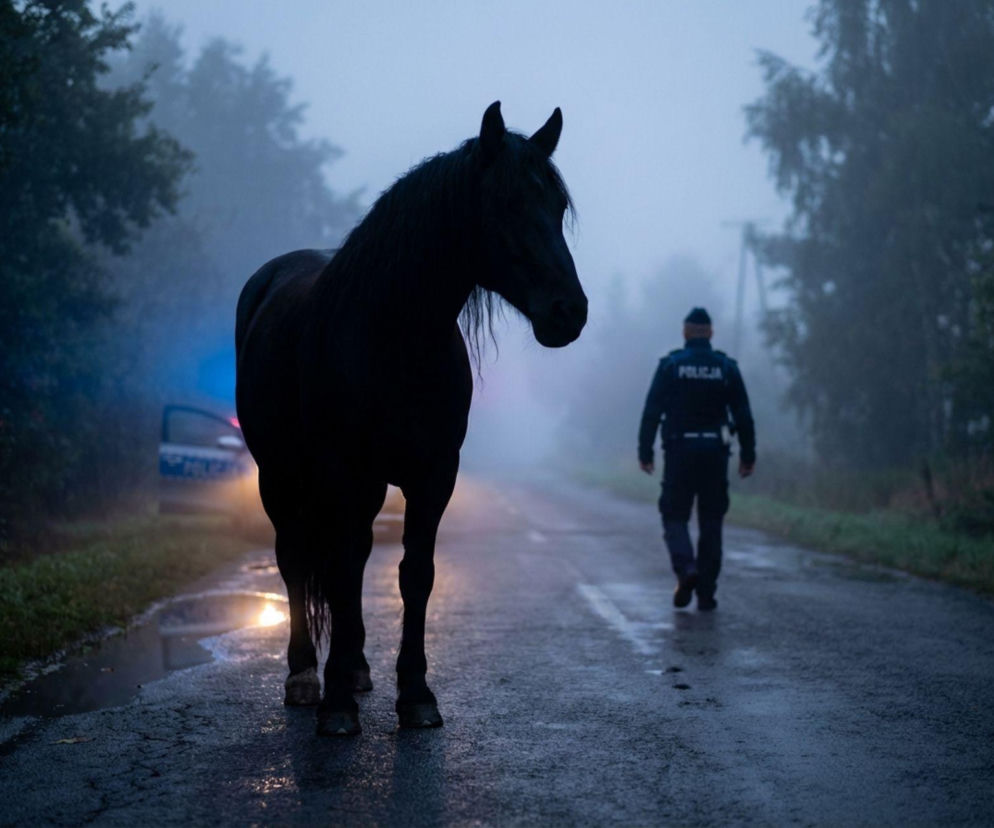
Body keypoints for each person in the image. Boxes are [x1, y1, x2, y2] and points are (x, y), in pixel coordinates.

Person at [637, 307, 755, 611]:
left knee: (674, 515)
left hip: (679, 453)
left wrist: (645, 451)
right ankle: (706, 593)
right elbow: (743, 414)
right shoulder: (726, 367)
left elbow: (652, 411)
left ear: (685, 332)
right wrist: (748, 455)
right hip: (715, 454)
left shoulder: (670, 366)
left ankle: (687, 568)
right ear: (711, 333)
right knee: (711, 522)